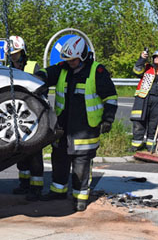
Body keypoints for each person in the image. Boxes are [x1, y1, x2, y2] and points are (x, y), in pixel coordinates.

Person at [36, 36, 118, 211]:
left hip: (86, 129)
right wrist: (38, 77)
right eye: (67, 59)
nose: (70, 63)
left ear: (82, 56)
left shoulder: (97, 71)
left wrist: (108, 119)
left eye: (73, 59)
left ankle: (80, 197)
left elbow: (110, 98)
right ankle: (58, 190)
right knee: (59, 159)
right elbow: (46, 74)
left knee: (81, 165)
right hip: (62, 127)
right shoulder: (62, 69)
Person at [8, 36, 45, 201]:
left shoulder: (33, 67)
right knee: (21, 154)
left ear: (23, 53)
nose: (14, 59)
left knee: (34, 154)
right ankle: (24, 184)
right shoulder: (7, 69)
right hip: (18, 115)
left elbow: (42, 88)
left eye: (16, 55)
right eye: (11, 56)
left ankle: (36, 188)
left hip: (34, 115)